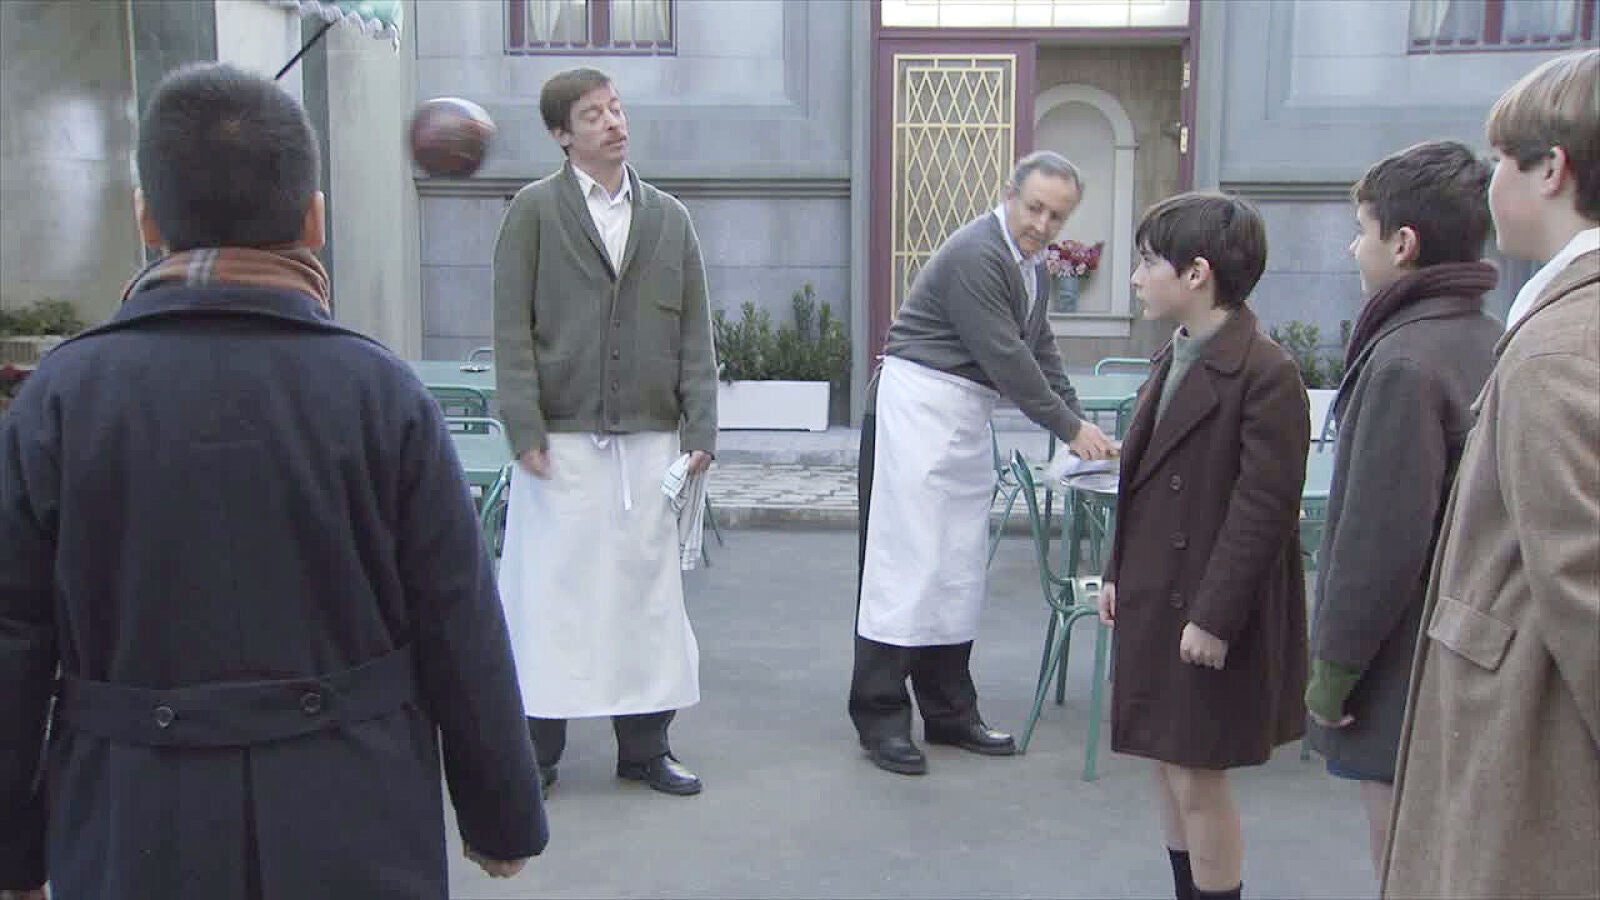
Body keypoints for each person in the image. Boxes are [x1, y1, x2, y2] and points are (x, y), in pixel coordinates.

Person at [0, 63, 546, 900]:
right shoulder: (380, 393)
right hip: (353, 812)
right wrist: (499, 813)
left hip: (133, 819)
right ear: (313, 220)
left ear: (147, 218)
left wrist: (14, 849)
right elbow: (458, 617)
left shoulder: (61, 399)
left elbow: (13, 635)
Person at [1383, 49, 1599, 900]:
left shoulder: (1558, 348)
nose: (1490, 181)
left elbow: (1582, 579)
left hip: (1532, 750)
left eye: (1502, 159)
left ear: (1553, 169)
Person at [851, 150, 1117, 776]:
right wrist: (1069, 428)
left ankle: (949, 712)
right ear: (1008, 194)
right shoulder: (977, 254)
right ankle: (881, 719)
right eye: (1034, 208)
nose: (1043, 225)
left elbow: (1041, 350)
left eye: (1057, 216)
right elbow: (1007, 359)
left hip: (962, 420)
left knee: (955, 569)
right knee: (903, 568)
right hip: (914, 412)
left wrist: (1080, 426)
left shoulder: (1032, 268)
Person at [492, 67, 717, 798]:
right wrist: (524, 425)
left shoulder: (669, 218)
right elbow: (511, 331)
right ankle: (535, 754)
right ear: (562, 134)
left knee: (645, 599)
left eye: (615, 109)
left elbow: (695, 333)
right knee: (549, 597)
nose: (614, 123)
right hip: (557, 443)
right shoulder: (532, 213)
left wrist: (700, 425)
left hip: (651, 441)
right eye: (592, 115)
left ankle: (645, 749)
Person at [1097, 193, 1309, 900]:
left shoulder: (1265, 372)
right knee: (1166, 765)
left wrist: (1215, 617)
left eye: (1148, 262)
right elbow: (1140, 479)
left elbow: (1264, 509)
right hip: (1158, 593)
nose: (1136, 277)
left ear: (1196, 273)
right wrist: (1116, 571)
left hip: (1205, 611)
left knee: (1196, 778)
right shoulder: (1177, 353)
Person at [1303, 140, 1501, 877]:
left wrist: (1333, 672)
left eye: (1361, 230)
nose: (1353, 248)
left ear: (1403, 243)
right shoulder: (1488, 337)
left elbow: (1378, 542)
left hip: (1400, 665)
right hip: (1464, 650)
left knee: (1404, 862)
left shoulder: (1404, 362)